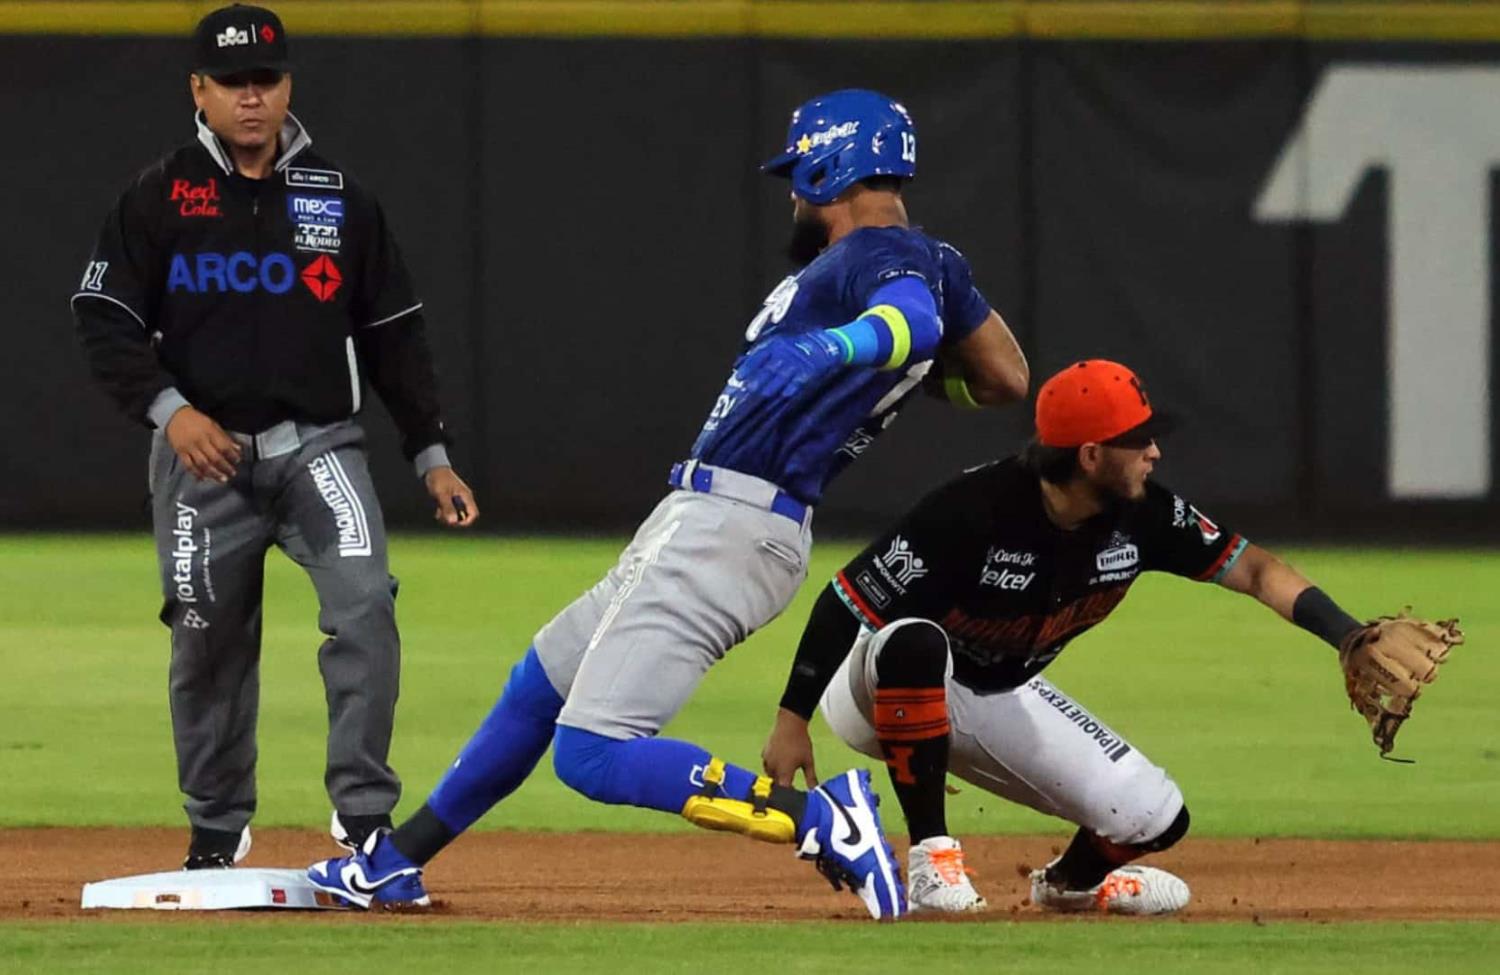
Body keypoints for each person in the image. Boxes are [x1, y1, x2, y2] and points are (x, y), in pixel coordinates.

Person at [307, 88, 1029, 919]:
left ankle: (819, 820)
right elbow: (1006, 377)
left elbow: (910, 323)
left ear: (834, 166)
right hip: (706, 518)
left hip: (736, 524)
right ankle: (394, 863)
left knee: (593, 753)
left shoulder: (879, 255)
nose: (793, 192)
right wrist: (885, 372)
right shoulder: (930, 258)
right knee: (540, 683)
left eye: (801, 173)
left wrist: (846, 348)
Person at [761, 359, 1400, 915]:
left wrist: (1345, 635)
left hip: (996, 690)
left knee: (1155, 814)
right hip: (876, 686)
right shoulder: (970, 510)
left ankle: (1066, 887)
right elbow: (846, 597)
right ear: (1090, 455)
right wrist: (793, 717)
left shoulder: (1146, 514)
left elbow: (1257, 570)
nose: (1155, 453)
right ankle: (933, 862)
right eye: (1139, 439)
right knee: (915, 641)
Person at [70, 3, 478, 870]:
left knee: (366, 604)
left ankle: (364, 818)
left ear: (287, 84)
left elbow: (395, 330)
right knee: (205, 639)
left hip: (316, 446)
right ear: (199, 90)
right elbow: (103, 316)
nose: (250, 99)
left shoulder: (339, 198)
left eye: (264, 80)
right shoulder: (158, 194)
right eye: (231, 83)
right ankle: (217, 830)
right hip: (201, 460)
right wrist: (170, 411)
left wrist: (430, 453)